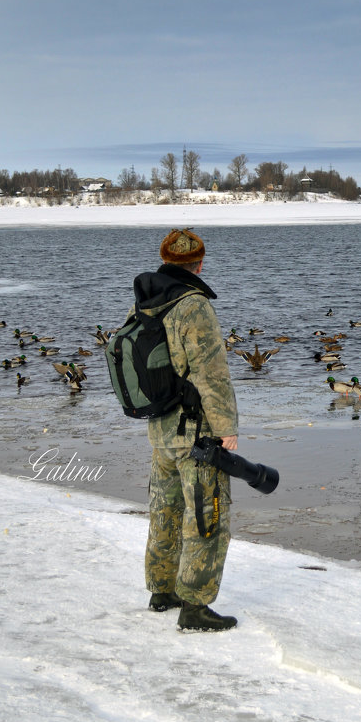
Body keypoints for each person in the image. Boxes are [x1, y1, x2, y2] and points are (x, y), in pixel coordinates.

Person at [134, 228, 239, 632]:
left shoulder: (143, 303)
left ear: (165, 260)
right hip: (196, 432)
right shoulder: (193, 306)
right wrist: (226, 427)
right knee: (206, 515)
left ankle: (162, 589)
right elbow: (212, 373)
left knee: (165, 509)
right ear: (199, 263)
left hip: (159, 427)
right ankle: (194, 605)